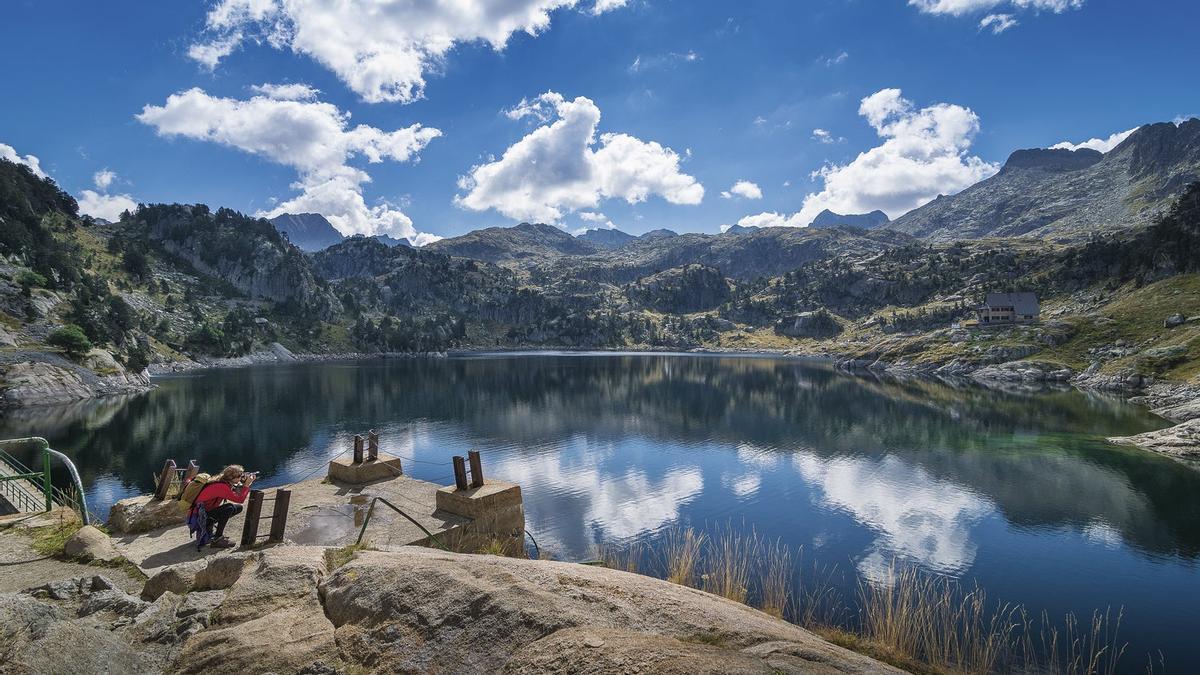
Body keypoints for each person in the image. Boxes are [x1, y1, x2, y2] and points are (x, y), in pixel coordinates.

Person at [189, 464, 256, 549]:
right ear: (232, 477)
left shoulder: (222, 481)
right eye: (240, 476)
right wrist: (246, 485)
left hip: (202, 513)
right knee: (229, 508)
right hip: (198, 517)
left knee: (237, 508)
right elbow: (239, 499)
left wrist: (243, 483)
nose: (242, 477)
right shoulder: (221, 486)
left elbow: (236, 493)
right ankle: (217, 539)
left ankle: (209, 525)